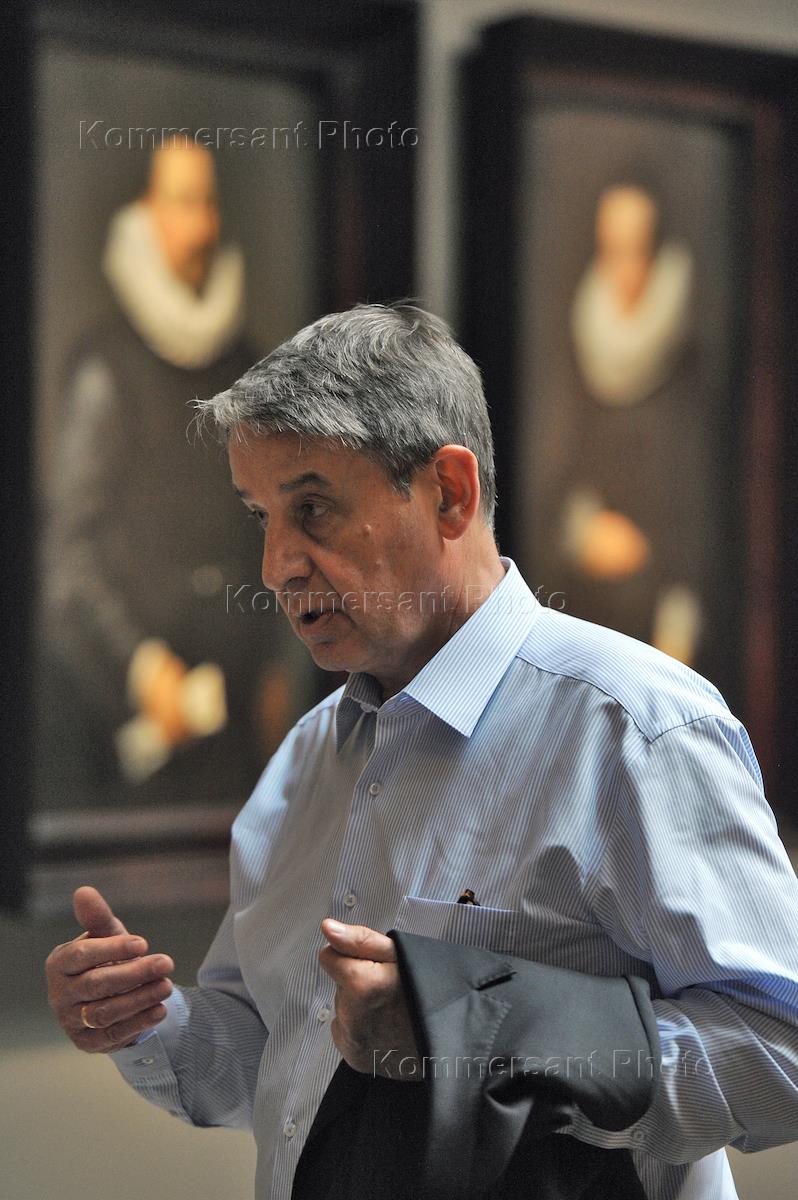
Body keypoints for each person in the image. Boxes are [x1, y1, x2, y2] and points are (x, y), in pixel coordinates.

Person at [46, 304, 798, 1199]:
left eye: (312, 509)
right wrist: (146, 1019)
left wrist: (477, 1029)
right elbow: (282, 1067)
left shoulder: (635, 729)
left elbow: (780, 1056)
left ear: (449, 492)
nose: (277, 565)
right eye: (261, 517)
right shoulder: (306, 760)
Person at [37, 137, 311, 811]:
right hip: (133, 733)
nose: (201, 227)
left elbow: (282, 530)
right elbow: (68, 558)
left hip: (238, 723)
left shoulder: (248, 369)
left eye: (208, 204)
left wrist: (281, 668)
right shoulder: (106, 369)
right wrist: (141, 670)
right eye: (182, 202)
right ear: (144, 215)